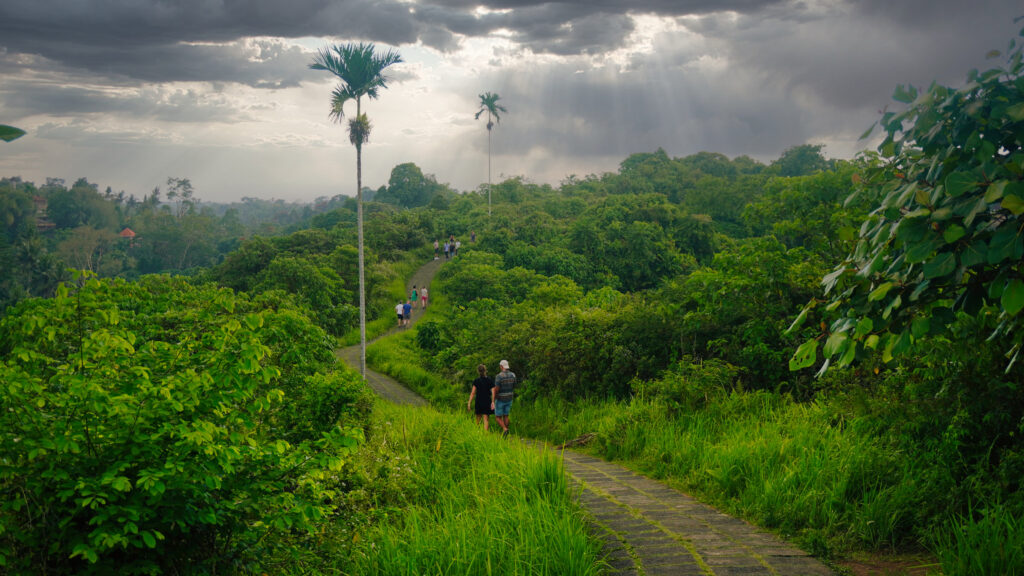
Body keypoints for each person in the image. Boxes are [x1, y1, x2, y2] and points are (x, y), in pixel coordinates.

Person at [491, 359, 516, 438]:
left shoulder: (499, 376)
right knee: (506, 415)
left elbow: (497, 389)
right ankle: (506, 431)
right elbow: (514, 386)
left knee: (498, 417)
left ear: (501, 366)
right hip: (510, 397)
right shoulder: (513, 375)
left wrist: (493, 399)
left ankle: (505, 429)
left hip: (500, 398)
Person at [467, 364, 495, 431]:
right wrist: (493, 402)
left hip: (479, 401)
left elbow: (473, 393)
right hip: (487, 401)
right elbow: (493, 392)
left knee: (478, 418)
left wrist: (469, 402)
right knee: (486, 419)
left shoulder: (476, 381)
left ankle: (477, 432)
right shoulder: (489, 380)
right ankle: (485, 434)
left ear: (478, 371)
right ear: (485, 370)